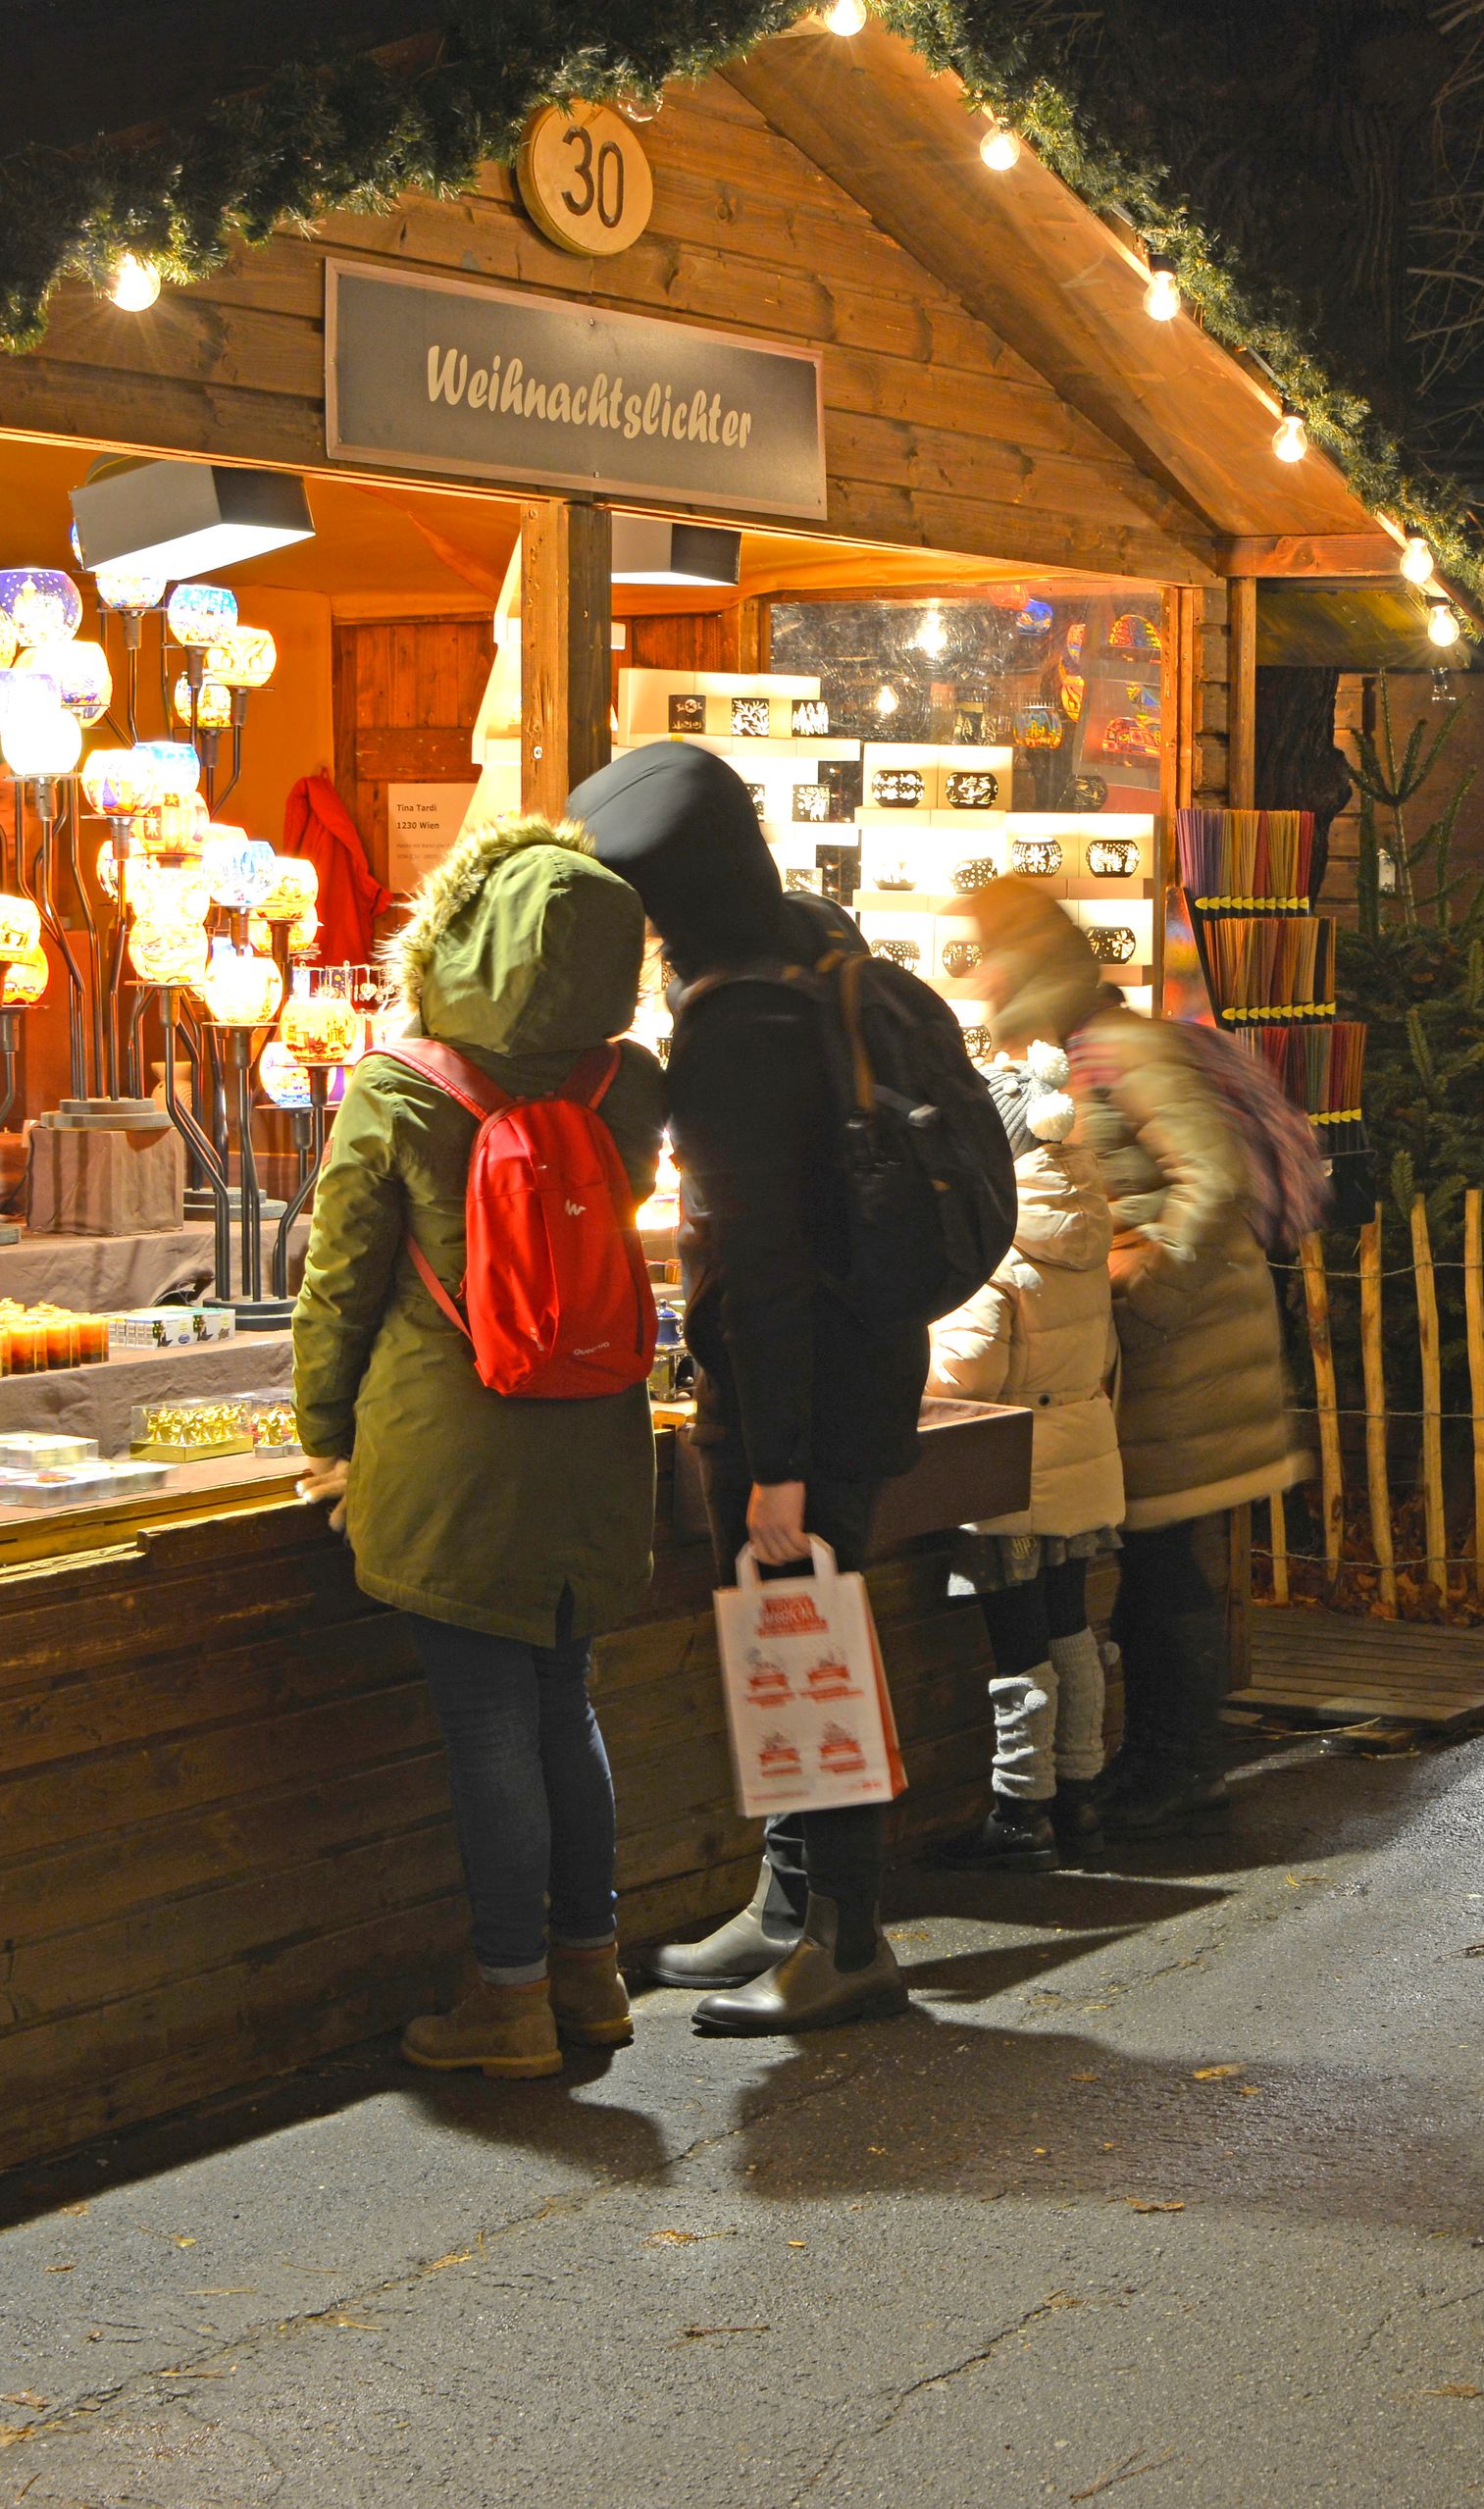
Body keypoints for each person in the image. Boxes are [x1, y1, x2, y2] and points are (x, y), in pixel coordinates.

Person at [292, 813, 668, 2078]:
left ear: (454, 934)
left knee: (487, 1730)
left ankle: (504, 2001)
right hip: (595, 1445)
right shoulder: (630, 1088)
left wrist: (323, 1440)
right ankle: (591, 1976)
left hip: (446, 1458)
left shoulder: (401, 1086)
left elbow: (337, 1284)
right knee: (567, 1702)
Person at [579, 742, 933, 2036]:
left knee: (807, 1641)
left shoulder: (738, 1029)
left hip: (801, 1394)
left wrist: (774, 1455)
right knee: (794, 1638)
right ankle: (785, 1902)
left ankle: (840, 1937)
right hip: (870, 1360)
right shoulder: (824, 955)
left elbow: (765, 1264)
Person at [967, 879, 1304, 1840]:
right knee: (1156, 1561)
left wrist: (1140, 1300)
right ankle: (1157, 1757)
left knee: (1162, 1566)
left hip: (1183, 1354)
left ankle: (1178, 1762)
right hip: (1158, 1354)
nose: (982, 974)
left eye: (992, 953)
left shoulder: (1124, 1050)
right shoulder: (1067, 1055)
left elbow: (1210, 1179)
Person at [923, 1048, 1124, 1867]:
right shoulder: (1084, 1226)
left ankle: (1019, 1809)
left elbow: (961, 1374)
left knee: (1018, 1643)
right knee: (1072, 1624)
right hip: (1080, 1453)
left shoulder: (996, 1250)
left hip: (1011, 1469)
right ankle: (1081, 1791)